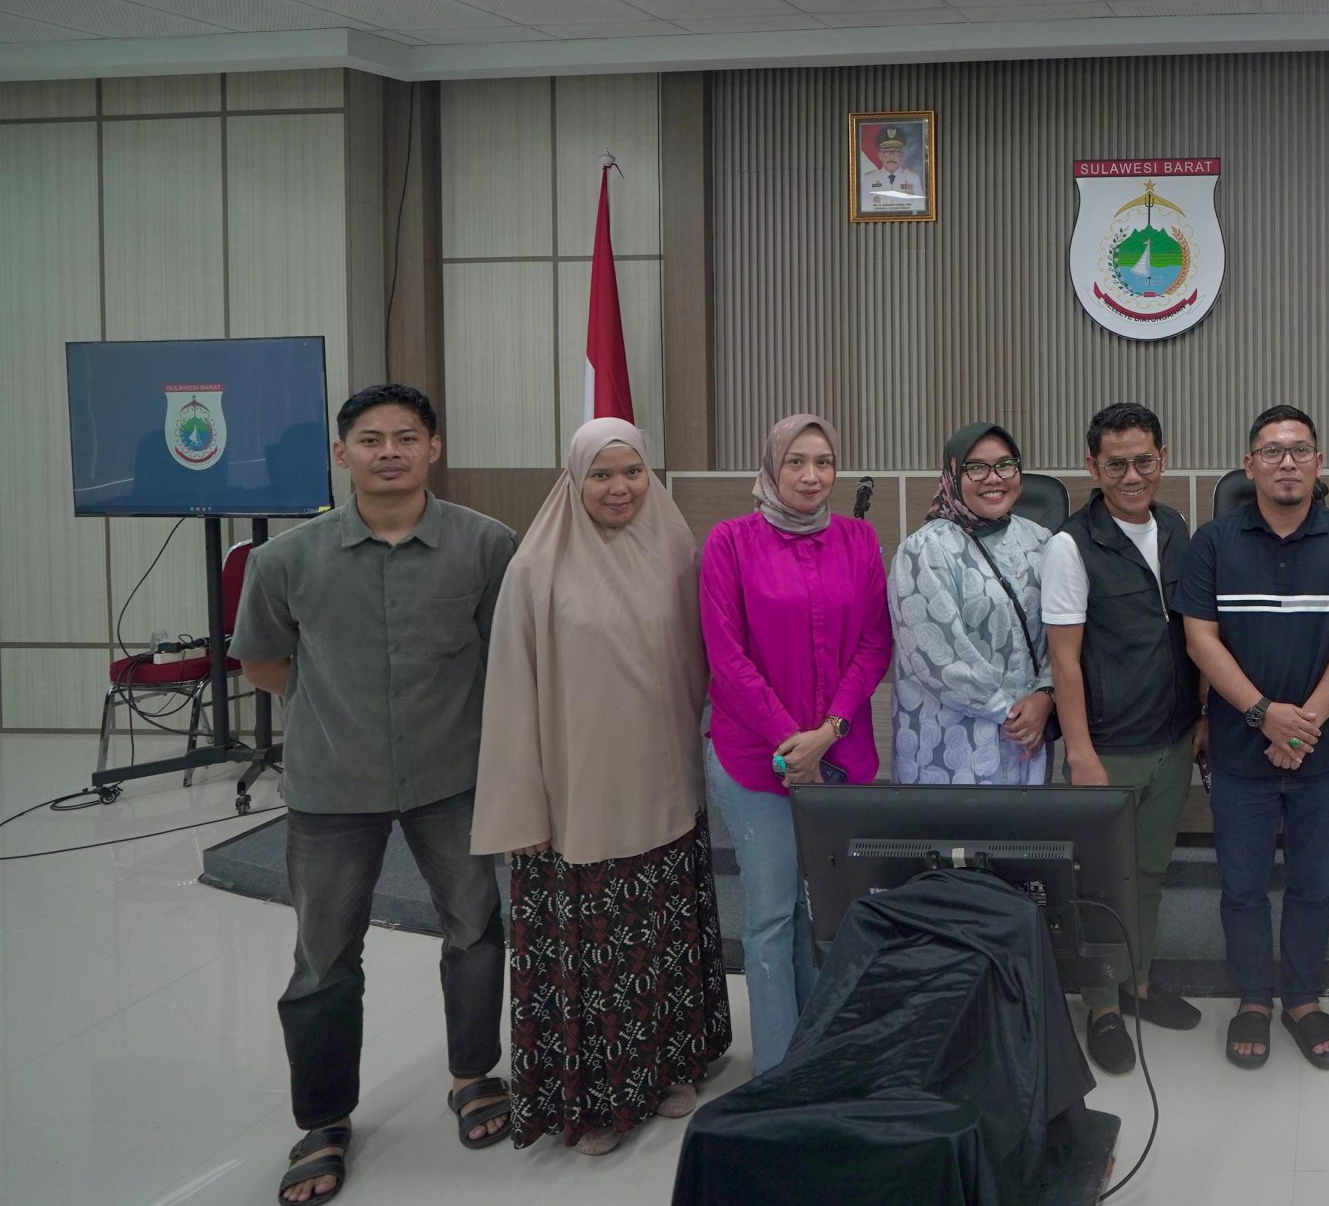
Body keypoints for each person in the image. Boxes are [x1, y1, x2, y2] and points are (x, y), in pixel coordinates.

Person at [231, 383, 519, 1204]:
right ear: (341, 453)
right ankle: (323, 1121)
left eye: (405, 437)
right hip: (333, 784)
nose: (388, 451)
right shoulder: (284, 560)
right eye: (370, 439)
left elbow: (505, 655)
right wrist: (334, 715)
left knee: (475, 931)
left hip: (452, 778)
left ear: (434, 448)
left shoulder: (487, 545)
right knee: (323, 957)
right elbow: (264, 663)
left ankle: (473, 1075)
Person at [471, 419, 730, 1152]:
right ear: (574, 480)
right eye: (602, 475)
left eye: (633, 472)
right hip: (577, 801)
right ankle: (595, 1103)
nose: (620, 488)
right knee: (596, 953)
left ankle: (672, 1068)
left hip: (664, 789)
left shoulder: (675, 549)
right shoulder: (536, 569)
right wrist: (524, 808)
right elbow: (510, 696)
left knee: (661, 940)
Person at [1178, 405, 1329, 1071]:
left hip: (1321, 752)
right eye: (1272, 451)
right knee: (1241, 884)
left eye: (1300, 450)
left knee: (1314, 882)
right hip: (1240, 750)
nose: (1287, 462)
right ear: (1250, 466)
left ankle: (1301, 997)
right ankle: (1253, 998)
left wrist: (1302, 726)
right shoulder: (1213, 542)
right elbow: (1200, 639)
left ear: (1319, 463)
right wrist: (1264, 714)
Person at [699, 413, 893, 1074]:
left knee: (830, 911)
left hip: (840, 758)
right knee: (772, 916)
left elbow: (875, 644)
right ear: (772, 466)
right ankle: (777, 1072)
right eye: (797, 462)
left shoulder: (859, 540)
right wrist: (791, 744)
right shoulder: (729, 542)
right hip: (756, 763)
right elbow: (727, 658)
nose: (812, 476)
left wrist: (828, 732)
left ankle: (823, 1049)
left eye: (824, 462)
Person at [1043, 401, 1207, 1074]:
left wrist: (1200, 717)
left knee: (1149, 872)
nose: (1132, 476)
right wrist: (1080, 753)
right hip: (1108, 747)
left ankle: (1137, 985)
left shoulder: (1176, 528)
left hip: (1172, 738)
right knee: (1101, 882)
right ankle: (1103, 1006)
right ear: (1093, 466)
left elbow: (1192, 634)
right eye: (1117, 465)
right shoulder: (1070, 545)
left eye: (1144, 461)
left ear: (1162, 459)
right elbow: (1064, 662)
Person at [891, 422, 1054, 784]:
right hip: (952, 743)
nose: (993, 478)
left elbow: (1061, 635)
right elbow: (937, 657)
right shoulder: (925, 550)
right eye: (976, 467)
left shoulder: (1040, 540)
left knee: (1027, 822)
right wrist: (1012, 714)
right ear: (953, 475)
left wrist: (1045, 696)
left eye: (1005, 465)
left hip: (1029, 736)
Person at [860, 125, 924, 214]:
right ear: (880, 156)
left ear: (902, 155)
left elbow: (919, 212)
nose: (891, 157)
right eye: (886, 152)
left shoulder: (913, 178)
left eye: (896, 152)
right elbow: (865, 212)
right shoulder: (869, 179)